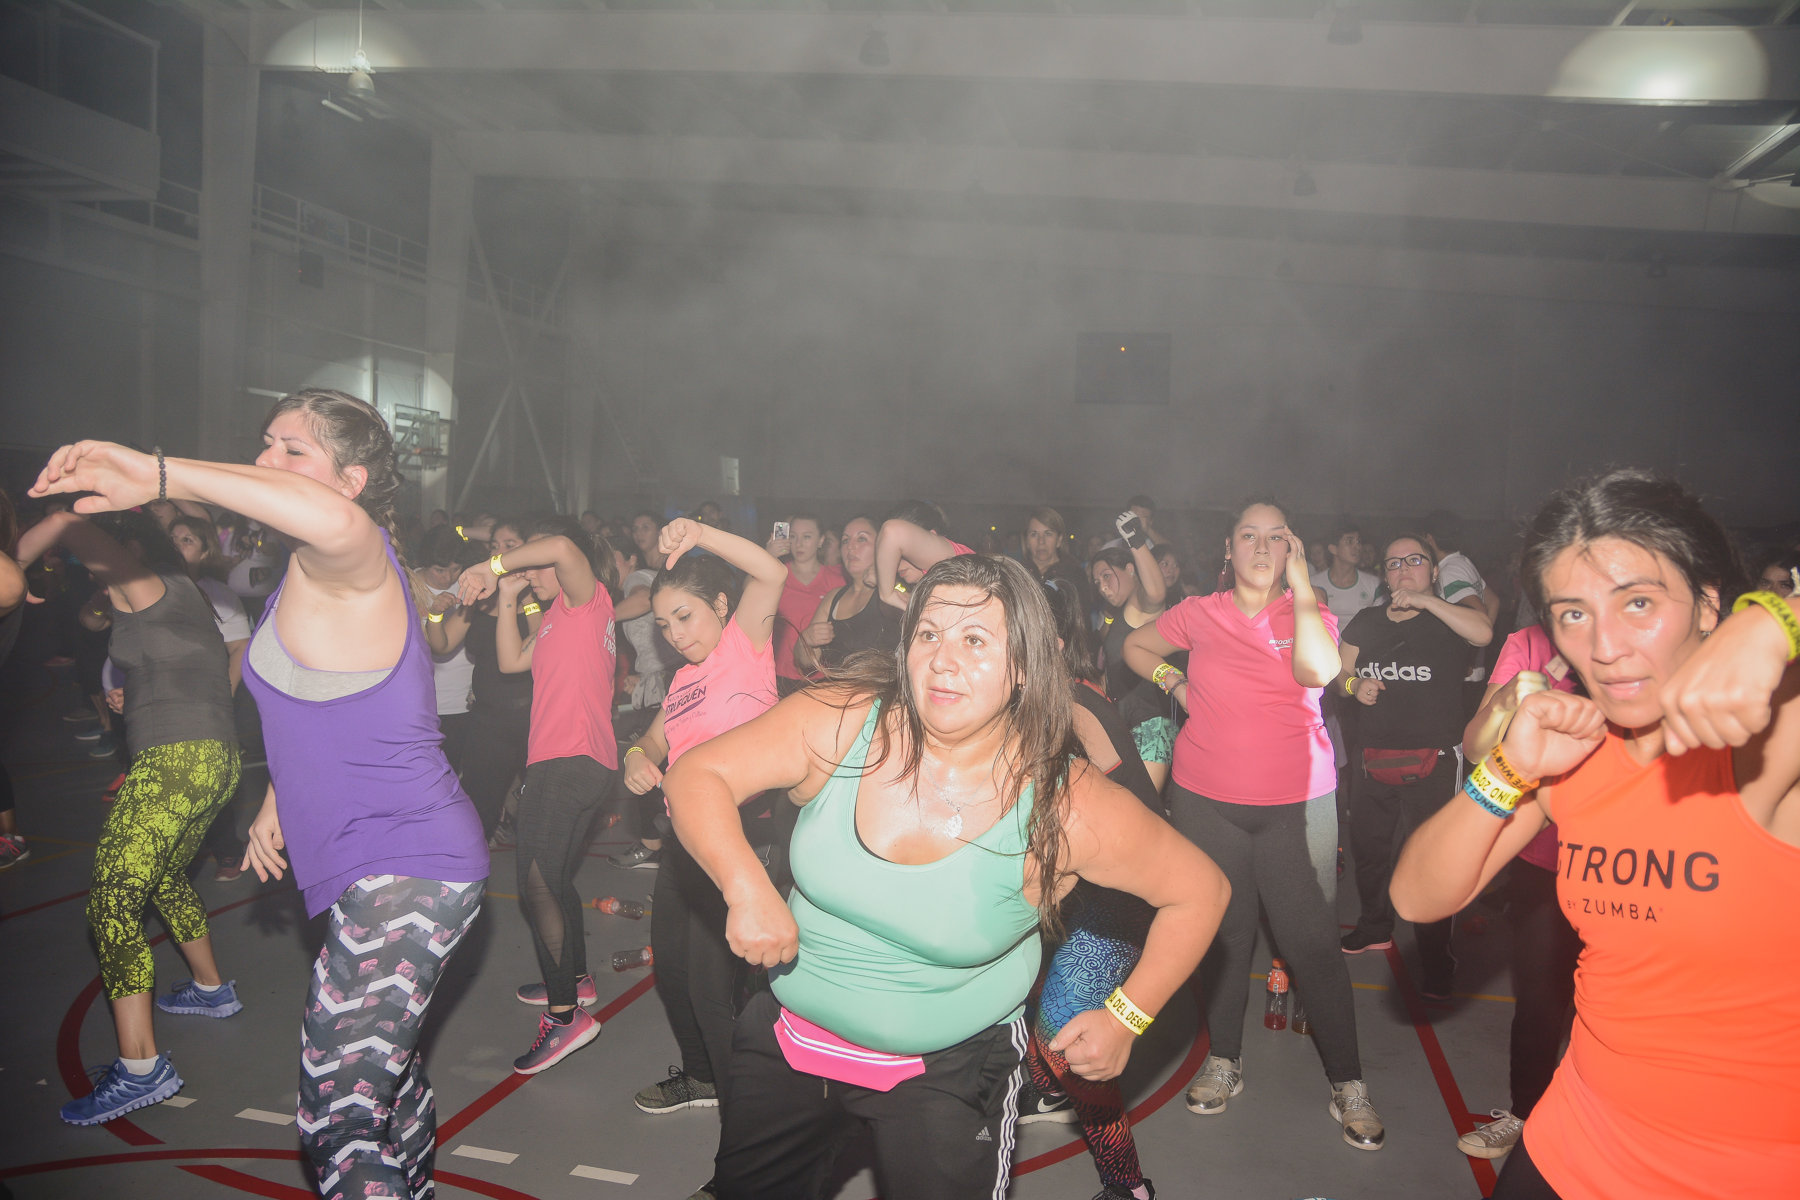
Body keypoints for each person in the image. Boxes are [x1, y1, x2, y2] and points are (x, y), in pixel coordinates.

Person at [661, 553, 1228, 1200]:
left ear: (1023, 666)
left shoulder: (1065, 802)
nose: (942, 660)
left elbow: (1200, 891)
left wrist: (1126, 1018)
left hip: (953, 1076)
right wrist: (745, 887)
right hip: (788, 1047)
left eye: (975, 640)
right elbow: (696, 774)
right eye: (928, 633)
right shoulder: (841, 719)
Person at [35, 391, 490, 1193]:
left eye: (292, 450)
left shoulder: (353, 550)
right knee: (389, 1080)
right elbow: (331, 700)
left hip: (406, 862)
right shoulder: (302, 575)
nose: (266, 460)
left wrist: (159, 473)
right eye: (266, 443)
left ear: (350, 481)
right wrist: (279, 798)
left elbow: (330, 521)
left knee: (337, 1119)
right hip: (378, 861)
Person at [1391, 469, 1800, 1200]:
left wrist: (1776, 619)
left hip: (1745, 1173)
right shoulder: (1578, 755)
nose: (1605, 646)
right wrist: (1510, 769)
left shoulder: (1768, 740)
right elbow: (1418, 897)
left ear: (1709, 606)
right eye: (1573, 614)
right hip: (1573, 1144)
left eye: (1638, 602)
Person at [1124, 498, 1384, 1150]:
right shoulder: (1200, 612)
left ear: (1292, 549)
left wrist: (1301, 590)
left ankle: (1348, 1082)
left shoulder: (1310, 614)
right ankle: (1224, 1061)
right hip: (1205, 801)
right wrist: (1174, 683)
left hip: (1297, 806)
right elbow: (1136, 644)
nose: (1262, 547)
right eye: (1249, 535)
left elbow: (1319, 671)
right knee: (1224, 938)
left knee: (1312, 945)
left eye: (1276, 536)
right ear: (1229, 548)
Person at [16, 508, 243, 1127]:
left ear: (126, 551)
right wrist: (131, 693)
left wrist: (16, 563)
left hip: (174, 764)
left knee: (112, 904)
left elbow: (66, 522)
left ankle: (142, 1070)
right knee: (163, 877)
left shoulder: (147, 584)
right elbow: (171, 666)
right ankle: (210, 989)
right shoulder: (176, 597)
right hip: (211, 762)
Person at [618, 519, 786, 1121]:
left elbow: (771, 571)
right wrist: (636, 757)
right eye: (664, 625)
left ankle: (745, 1141)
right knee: (673, 972)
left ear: (719, 606)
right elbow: (653, 741)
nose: (675, 634)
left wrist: (699, 534)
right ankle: (702, 1077)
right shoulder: (683, 681)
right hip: (682, 847)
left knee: (713, 992)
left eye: (684, 616)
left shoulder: (745, 647)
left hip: (738, 842)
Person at [456, 515, 633, 1074]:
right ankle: (575, 982)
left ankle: (564, 1018)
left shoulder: (588, 599)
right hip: (575, 762)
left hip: (568, 760)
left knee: (535, 882)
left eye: (535, 565)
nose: (530, 571)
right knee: (553, 880)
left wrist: (492, 565)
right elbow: (511, 662)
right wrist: (508, 596)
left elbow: (557, 544)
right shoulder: (557, 616)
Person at [1023, 576, 1164, 1200]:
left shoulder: (1075, 705)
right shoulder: (1019, 703)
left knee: (1069, 1032)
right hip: (1070, 888)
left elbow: (1135, 819)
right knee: (1027, 1000)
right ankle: (1043, 1088)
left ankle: (1128, 1187)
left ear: (1052, 644)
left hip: (1120, 894)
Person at [1332, 535, 1493, 1002]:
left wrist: (1426, 601)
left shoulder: (1449, 618)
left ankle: (1436, 958)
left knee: (1432, 860)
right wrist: (1353, 686)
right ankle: (1374, 926)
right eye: (1393, 563)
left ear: (1434, 571)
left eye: (1415, 561)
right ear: (1384, 575)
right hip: (1373, 757)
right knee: (1370, 850)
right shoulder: (1367, 621)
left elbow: (1483, 632)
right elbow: (1337, 673)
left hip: (1435, 761)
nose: (1403, 569)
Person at [1454, 626, 1582, 1161]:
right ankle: (1527, 1115)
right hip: (1545, 853)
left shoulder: (1649, 633)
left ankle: (1601, 1128)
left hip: (1639, 853)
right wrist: (1507, 702)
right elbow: (1475, 747)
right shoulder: (1529, 642)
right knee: (1538, 998)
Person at [426, 518, 540, 840]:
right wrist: (435, 614)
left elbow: (538, 645)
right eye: (494, 547)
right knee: (477, 808)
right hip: (487, 720)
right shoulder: (480, 599)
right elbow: (441, 645)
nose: (498, 554)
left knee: (538, 811)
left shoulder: (540, 596)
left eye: (509, 546)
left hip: (533, 719)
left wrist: (525, 601)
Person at [1089, 513, 1174, 793]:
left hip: (1153, 726)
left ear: (1130, 569)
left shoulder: (1141, 604)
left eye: (1107, 576)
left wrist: (1136, 542)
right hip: (1128, 724)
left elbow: (1156, 592)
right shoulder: (1120, 614)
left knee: (1143, 806)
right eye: (1097, 582)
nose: (1102, 586)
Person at [793, 515, 900, 677]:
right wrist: (806, 640)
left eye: (861, 539)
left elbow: (915, 606)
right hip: (838, 690)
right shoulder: (833, 598)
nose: (850, 547)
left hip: (883, 690)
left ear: (881, 545)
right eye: (845, 540)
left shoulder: (896, 589)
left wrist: (886, 582)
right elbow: (806, 662)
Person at [769, 513, 844, 693]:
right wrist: (767, 558)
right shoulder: (776, 574)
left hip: (824, 676)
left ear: (821, 540)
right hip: (781, 675)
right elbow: (749, 595)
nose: (799, 544)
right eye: (793, 536)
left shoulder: (837, 579)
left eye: (807, 537)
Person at [1310, 522, 1381, 619]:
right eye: (1350, 541)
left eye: (1358, 542)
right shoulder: (1313, 584)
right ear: (1333, 549)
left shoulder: (1374, 584)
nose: (1357, 547)